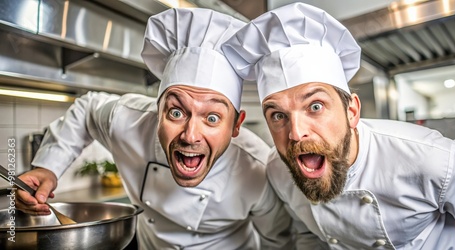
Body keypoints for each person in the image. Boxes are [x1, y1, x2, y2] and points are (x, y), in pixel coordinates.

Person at [222, 2, 455, 249]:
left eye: (315, 106)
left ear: (352, 110)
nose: (296, 133)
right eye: (278, 115)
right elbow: (307, 236)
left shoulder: (432, 159)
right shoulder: (277, 170)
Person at [16, 8, 292, 249]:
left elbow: (278, 242)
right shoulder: (128, 120)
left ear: (236, 125)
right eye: (175, 112)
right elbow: (87, 109)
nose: (190, 135)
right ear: (156, 111)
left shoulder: (258, 169)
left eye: (212, 118)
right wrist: (48, 167)